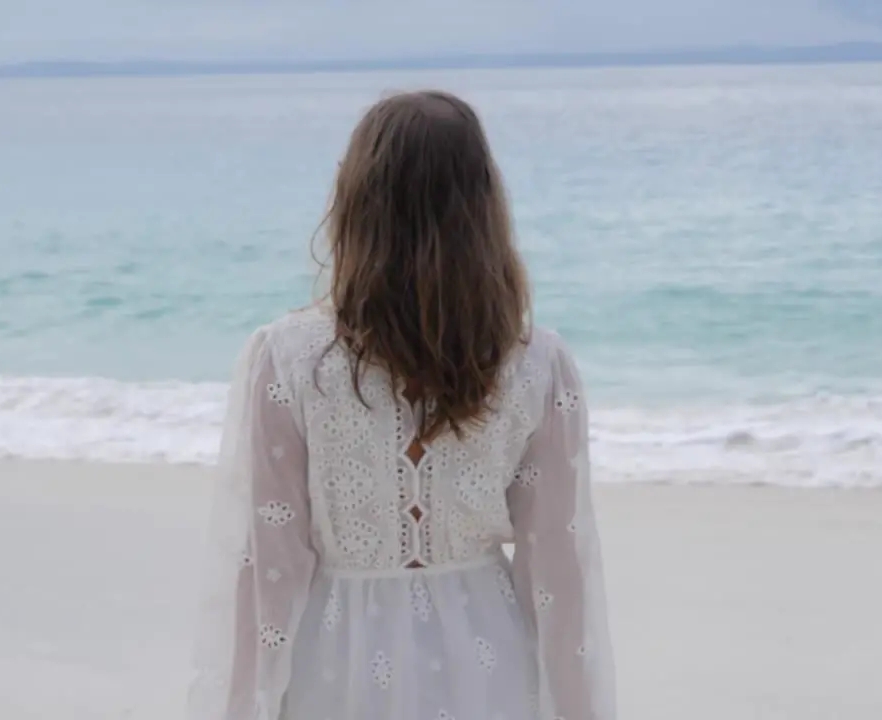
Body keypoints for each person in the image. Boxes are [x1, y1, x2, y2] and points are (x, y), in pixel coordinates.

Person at [187, 90, 615, 720]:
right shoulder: (538, 366)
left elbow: (266, 579)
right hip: (488, 664)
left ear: (356, 206)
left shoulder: (286, 360)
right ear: (484, 208)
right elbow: (558, 579)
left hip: (334, 669)